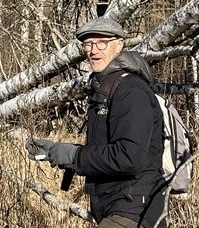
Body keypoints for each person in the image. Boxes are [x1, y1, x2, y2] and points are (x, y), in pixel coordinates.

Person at [25, 17, 167, 228]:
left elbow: (129, 156)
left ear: (119, 45)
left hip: (135, 209)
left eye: (102, 43)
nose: (93, 50)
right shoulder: (105, 89)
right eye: (88, 44)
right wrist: (59, 152)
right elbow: (107, 152)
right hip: (114, 206)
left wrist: (74, 156)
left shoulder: (131, 90)